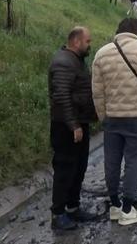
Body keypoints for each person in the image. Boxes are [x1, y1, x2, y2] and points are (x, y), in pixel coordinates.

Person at [92, 18, 137, 226]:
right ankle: (127, 209)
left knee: (112, 162)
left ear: (118, 31)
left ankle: (114, 205)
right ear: (135, 32)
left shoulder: (101, 53)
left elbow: (97, 92)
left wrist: (103, 116)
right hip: (136, 119)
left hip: (112, 118)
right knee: (133, 162)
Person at [47, 26, 98, 231]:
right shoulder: (63, 62)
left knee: (79, 168)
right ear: (76, 41)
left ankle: (73, 207)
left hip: (79, 124)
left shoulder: (76, 61)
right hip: (65, 127)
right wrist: (74, 125)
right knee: (65, 169)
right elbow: (61, 97)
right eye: (87, 41)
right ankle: (58, 215)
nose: (89, 45)